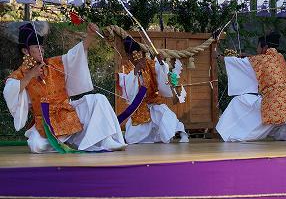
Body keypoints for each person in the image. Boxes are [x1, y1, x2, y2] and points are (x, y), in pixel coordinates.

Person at [3, 22, 126, 153]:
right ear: (25, 50)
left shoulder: (54, 64)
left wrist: (90, 36)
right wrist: (30, 76)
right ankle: (69, 141)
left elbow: (75, 55)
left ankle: (106, 140)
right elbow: (10, 89)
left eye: (42, 46)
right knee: (36, 145)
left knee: (98, 99)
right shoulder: (19, 75)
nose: (41, 49)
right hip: (45, 123)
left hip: (68, 113)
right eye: (36, 46)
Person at [216, 32, 286, 142]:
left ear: (264, 47)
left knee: (239, 101)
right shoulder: (280, 58)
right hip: (285, 103)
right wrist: (250, 56)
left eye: (258, 46)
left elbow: (239, 64)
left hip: (271, 102)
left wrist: (219, 57)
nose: (257, 49)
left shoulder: (261, 60)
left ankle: (232, 131)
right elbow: (261, 61)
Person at [117, 36, 188, 144]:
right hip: (139, 107)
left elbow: (161, 75)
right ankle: (153, 137)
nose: (136, 56)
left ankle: (182, 133)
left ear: (141, 52)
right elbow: (127, 90)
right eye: (132, 54)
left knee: (165, 114)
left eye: (138, 53)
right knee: (131, 138)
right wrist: (135, 72)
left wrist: (161, 63)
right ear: (128, 56)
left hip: (154, 101)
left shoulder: (149, 63)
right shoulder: (126, 68)